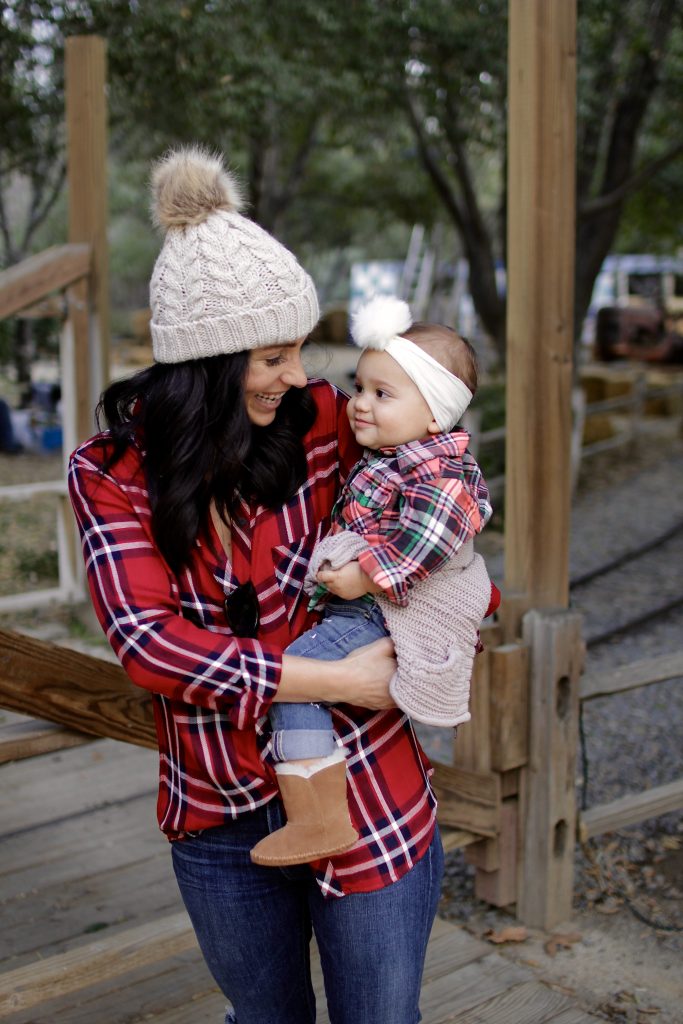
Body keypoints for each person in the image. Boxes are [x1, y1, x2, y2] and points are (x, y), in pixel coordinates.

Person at [68, 146, 445, 1024]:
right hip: (217, 806)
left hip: (362, 779)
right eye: (273, 356)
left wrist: (442, 605)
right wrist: (329, 679)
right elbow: (148, 644)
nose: (299, 374)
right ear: (206, 363)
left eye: (300, 350)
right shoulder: (112, 471)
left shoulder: (320, 423)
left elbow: (434, 484)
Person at [251, 295, 498, 868]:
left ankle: (318, 820)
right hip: (366, 607)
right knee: (303, 674)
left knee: (298, 680)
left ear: (435, 413)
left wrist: (366, 575)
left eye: (382, 395)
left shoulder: (436, 469)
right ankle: (320, 813)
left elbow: (434, 534)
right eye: (359, 387)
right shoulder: (397, 454)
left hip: (377, 611)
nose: (359, 405)